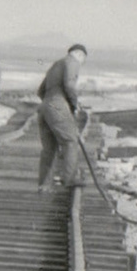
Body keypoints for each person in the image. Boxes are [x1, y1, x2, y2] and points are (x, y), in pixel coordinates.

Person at [37, 43, 89, 193]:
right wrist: (73, 104)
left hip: (44, 107)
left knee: (49, 148)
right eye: (83, 60)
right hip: (58, 106)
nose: (82, 63)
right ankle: (70, 178)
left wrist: (50, 103)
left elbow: (40, 90)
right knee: (70, 141)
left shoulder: (56, 64)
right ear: (80, 55)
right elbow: (69, 86)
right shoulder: (72, 62)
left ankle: (44, 184)